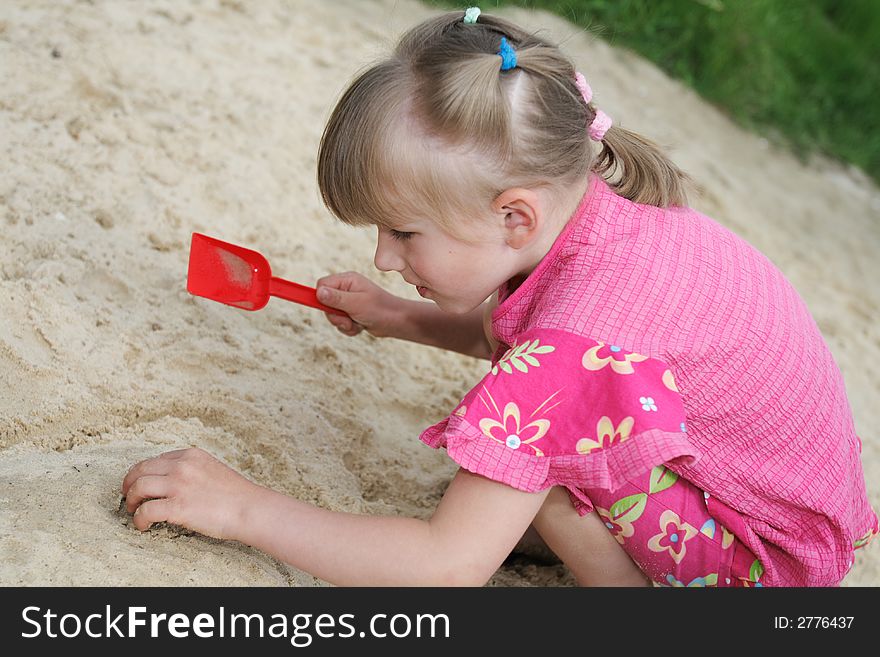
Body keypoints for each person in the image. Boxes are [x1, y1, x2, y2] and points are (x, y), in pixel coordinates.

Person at [122, 8, 877, 587]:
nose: (384, 256)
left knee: (547, 471)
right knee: (539, 432)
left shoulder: (577, 338)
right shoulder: (597, 215)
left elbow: (446, 566)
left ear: (515, 215)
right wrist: (402, 316)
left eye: (404, 232)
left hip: (763, 567)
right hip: (775, 501)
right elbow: (554, 338)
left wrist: (242, 506)